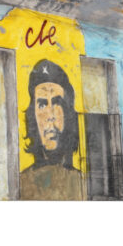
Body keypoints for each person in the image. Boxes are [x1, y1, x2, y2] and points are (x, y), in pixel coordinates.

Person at [19, 58, 84, 200]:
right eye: (42, 105)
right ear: (33, 115)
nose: (50, 116)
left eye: (57, 103)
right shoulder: (20, 184)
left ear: (68, 112)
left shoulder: (83, 183)